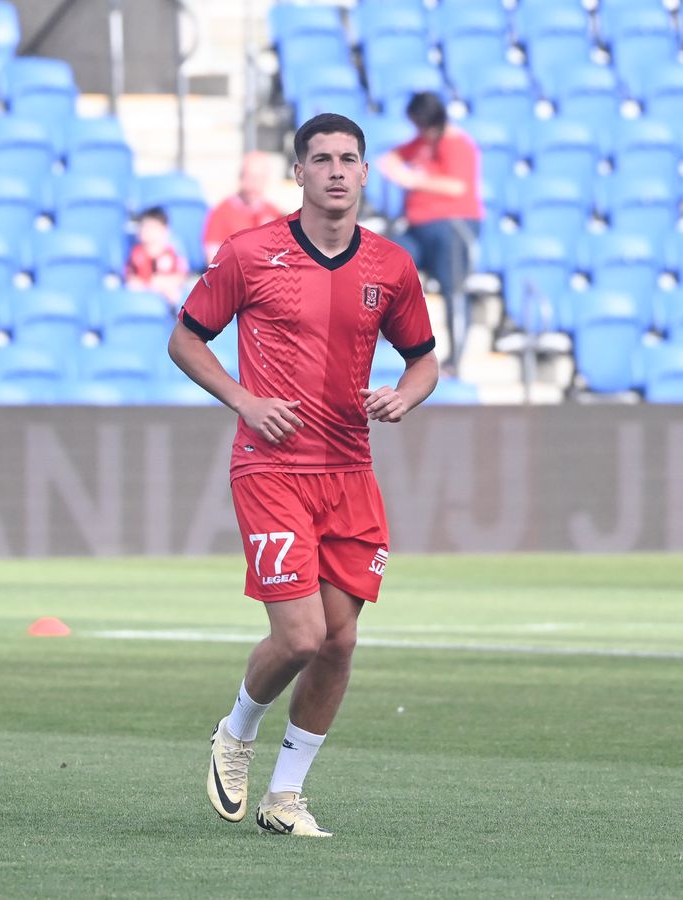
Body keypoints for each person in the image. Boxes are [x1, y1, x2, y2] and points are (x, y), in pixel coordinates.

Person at [168, 113, 438, 838]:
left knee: (339, 642)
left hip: (350, 470)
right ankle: (236, 731)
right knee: (299, 638)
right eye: (321, 159)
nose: (336, 171)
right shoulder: (250, 253)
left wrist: (405, 395)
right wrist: (244, 400)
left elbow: (423, 359)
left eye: (349, 158)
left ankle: (285, 797)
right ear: (298, 172)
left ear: (365, 172)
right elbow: (185, 339)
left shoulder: (391, 266)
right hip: (272, 467)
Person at [377, 92, 483, 373]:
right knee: (386, 262)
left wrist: (414, 180)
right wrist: (396, 169)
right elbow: (389, 159)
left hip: (451, 226)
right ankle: (382, 336)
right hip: (416, 227)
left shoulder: (457, 144)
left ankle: (454, 359)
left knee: (453, 288)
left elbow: (457, 186)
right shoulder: (422, 143)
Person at [203, 150, 284, 264]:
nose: (254, 183)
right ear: (241, 177)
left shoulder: (273, 213)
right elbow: (212, 257)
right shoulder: (223, 211)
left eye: (259, 178)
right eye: (250, 177)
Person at [125, 206, 188, 313]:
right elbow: (131, 276)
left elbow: (181, 276)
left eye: (153, 228)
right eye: (144, 227)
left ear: (165, 230)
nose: (148, 232)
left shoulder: (172, 253)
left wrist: (166, 282)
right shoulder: (136, 254)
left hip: (167, 294)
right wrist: (147, 284)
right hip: (143, 296)